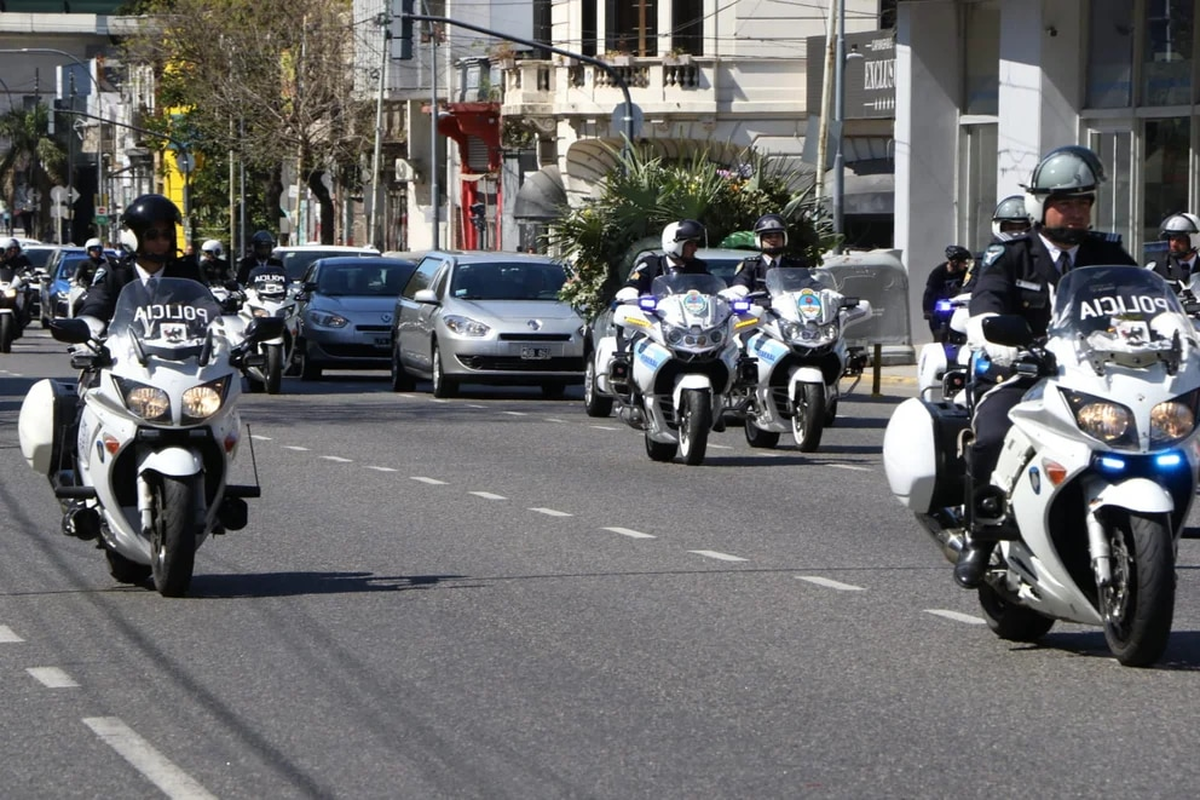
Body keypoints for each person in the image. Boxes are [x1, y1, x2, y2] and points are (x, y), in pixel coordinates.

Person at [956, 145, 1137, 589]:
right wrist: (991, 336)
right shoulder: (1010, 255)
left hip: (1097, 381)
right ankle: (981, 535)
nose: (1076, 213)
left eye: (1083, 203)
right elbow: (986, 304)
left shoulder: (1109, 255)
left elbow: (1145, 305)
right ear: (1040, 206)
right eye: (1065, 204)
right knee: (993, 436)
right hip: (1024, 377)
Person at [78, 194, 207, 327]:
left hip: (179, 340)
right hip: (125, 340)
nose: (161, 241)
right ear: (132, 237)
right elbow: (96, 304)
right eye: (152, 235)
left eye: (167, 235)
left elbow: (206, 304)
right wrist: (89, 324)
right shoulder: (115, 273)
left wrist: (217, 321)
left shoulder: (186, 273)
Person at [615, 219, 710, 301]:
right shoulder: (651, 265)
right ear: (673, 244)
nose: (695, 249)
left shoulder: (699, 268)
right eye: (690, 245)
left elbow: (712, 289)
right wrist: (630, 294)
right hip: (656, 316)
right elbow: (632, 285)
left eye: (695, 244)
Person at [724, 213, 810, 298]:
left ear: (785, 239)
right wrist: (739, 291)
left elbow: (810, 285)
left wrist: (817, 290)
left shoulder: (795, 266)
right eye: (768, 237)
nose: (773, 240)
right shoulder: (750, 265)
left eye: (777, 236)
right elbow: (741, 284)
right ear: (759, 240)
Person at [922, 245, 970, 341]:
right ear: (955, 262)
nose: (965, 264)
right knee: (940, 336)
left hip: (957, 307)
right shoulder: (938, 273)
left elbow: (970, 287)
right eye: (963, 262)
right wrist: (928, 311)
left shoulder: (965, 273)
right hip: (940, 310)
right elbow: (929, 293)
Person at [1147, 212, 1200, 292]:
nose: (1174, 244)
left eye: (1180, 240)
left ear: (1194, 240)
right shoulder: (1156, 268)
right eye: (1172, 239)